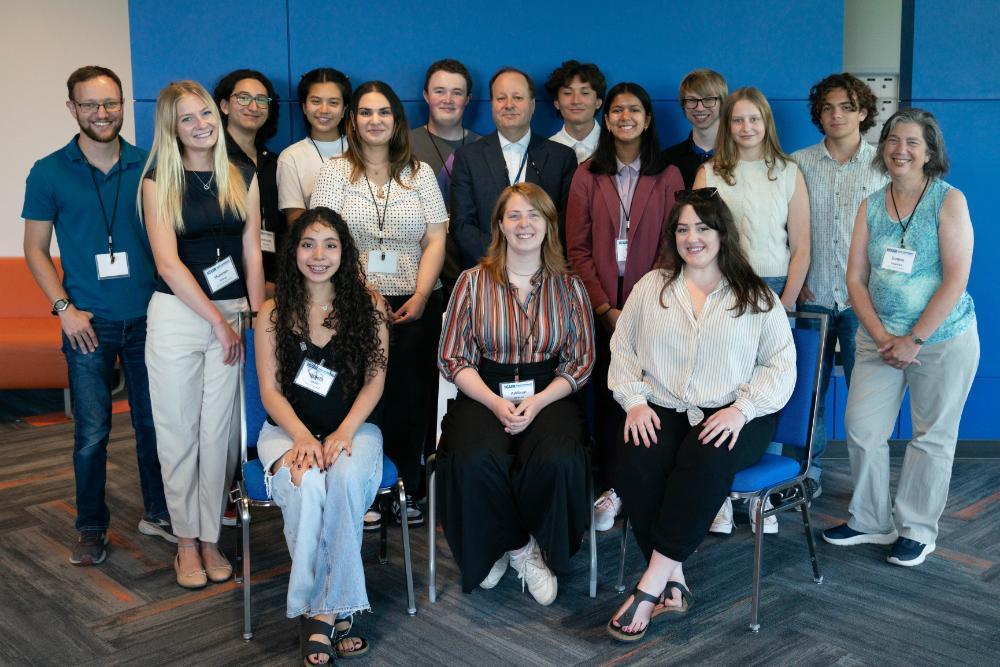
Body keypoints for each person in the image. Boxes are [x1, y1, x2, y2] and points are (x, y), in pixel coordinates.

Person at [606, 188, 794, 641]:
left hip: (736, 412)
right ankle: (675, 578)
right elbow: (623, 347)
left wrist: (741, 409)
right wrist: (633, 401)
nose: (693, 237)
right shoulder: (653, 287)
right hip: (664, 403)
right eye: (683, 228)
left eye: (703, 228)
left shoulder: (756, 295)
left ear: (722, 233)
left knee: (703, 458)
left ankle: (650, 584)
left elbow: (780, 365)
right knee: (636, 456)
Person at [21, 65, 172, 566]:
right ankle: (90, 526)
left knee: (155, 425)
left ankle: (159, 513)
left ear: (124, 105)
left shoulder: (148, 163)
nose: (102, 114)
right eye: (90, 105)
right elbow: (36, 249)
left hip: (150, 317)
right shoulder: (48, 171)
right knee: (91, 433)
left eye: (110, 103)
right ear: (72, 109)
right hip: (86, 323)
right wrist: (65, 310)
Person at [822, 109, 978, 567]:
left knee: (931, 437)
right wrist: (882, 335)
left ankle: (916, 529)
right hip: (879, 339)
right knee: (863, 429)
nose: (899, 149)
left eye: (911, 142)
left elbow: (956, 279)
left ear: (930, 151)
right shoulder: (871, 204)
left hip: (942, 339)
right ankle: (870, 520)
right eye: (892, 140)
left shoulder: (949, 201)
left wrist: (914, 339)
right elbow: (854, 278)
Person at [437, 183, 595, 604]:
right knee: (473, 457)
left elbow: (580, 361)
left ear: (548, 225)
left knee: (559, 456)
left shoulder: (570, 287)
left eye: (534, 215)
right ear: (500, 226)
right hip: (484, 389)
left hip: (550, 393)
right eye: (514, 216)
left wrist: (539, 401)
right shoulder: (471, 283)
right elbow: (453, 357)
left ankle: (537, 546)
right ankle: (517, 548)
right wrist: (493, 401)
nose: (524, 224)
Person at [140, 80, 265, 589]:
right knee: (178, 432)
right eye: (187, 118)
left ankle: (211, 535)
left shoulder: (241, 173)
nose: (201, 125)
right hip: (179, 317)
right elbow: (167, 263)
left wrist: (256, 320)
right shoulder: (156, 181)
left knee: (220, 437)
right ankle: (186, 542)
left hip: (234, 314)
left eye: (206, 115)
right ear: (171, 127)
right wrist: (216, 322)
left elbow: (253, 250)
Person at [255, 207, 388, 665]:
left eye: (330, 245)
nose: (318, 255)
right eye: (308, 244)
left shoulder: (368, 304)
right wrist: (301, 438)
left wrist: (344, 431)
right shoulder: (273, 311)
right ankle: (338, 609)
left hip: (354, 429)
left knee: (346, 480)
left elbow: (375, 381)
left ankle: (319, 614)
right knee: (308, 484)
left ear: (344, 252)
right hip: (285, 432)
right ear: (293, 251)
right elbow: (270, 391)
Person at [311, 81, 447, 527]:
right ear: (353, 121)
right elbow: (326, 239)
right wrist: (363, 294)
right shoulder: (334, 173)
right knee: (364, 396)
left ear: (397, 120)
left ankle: (407, 490)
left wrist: (423, 295)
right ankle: (368, 487)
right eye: (366, 113)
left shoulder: (419, 173)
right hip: (352, 301)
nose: (375, 121)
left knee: (411, 398)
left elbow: (435, 238)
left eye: (384, 112)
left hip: (414, 302)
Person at [565, 82, 683, 531]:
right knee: (607, 400)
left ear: (648, 119)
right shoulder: (586, 175)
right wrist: (603, 309)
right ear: (606, 119)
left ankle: (642, 482)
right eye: (616, 110)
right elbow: (576, 249)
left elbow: (674, 246)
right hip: (597, 312)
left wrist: (636, 307)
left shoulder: (669, 176)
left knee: (648, 396)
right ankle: (611, 486)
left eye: (634, 110)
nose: (625, 117)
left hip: (652, 307)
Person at [694, 87, 809, 535]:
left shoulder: (788, 172)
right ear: (728, 126)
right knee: (723, 387)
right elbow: (699, 242)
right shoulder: (709, 172)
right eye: (737, 120)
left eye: (754, 120)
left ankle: (765, 498)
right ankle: (721, 494)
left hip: (777, 291)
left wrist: (785, 304)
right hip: (724, 289)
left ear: (766, 123)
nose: (746, 128)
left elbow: (801, 246)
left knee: (771, 388)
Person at [793, 73, 887, 498]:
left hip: (861, 303)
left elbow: (892, 233)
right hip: (812, 297)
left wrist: (870, 287)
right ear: (819, 115)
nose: (837, 115)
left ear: (863, 112)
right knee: (808, 395)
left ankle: (868, 483)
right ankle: (806, 475)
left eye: (847, 107)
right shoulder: (797, 163)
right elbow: (786, 231)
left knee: (868, 396)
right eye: (828, 108)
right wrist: (800, 282)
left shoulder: (883, 164)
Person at [451, 67, 577, 268]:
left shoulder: (561, 158)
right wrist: (503, 258)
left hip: (545, 272)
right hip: (487, 271)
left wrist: (532, 257)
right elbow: (462, 225)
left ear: (533, 104)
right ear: (492, 105)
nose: (509, 105)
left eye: (518, 97)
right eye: (501, 98)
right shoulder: (468, 157)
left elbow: (566, 222)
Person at [408, 59, 481, 295]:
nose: (447, 100)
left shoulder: (485, 149)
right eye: (440, 91)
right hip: (417, 277)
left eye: (456, 93)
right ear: (426, 96)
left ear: (467, 99)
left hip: (474, 276)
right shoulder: (402, 147)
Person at [214, 70, 282, 286]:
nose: (253, 107)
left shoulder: (276, 163)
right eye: (243, 98)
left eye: (262, 100)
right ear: (224, 106)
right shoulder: (209, 161)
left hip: (273, 279)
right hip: (224, 280)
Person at [277, 68, 352, 224]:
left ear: (344, 109)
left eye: (333, 103)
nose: (324, 110)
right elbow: (295, 222)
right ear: (304, 107)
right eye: (316, 101)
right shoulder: (290, 157)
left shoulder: (362, 150)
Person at [662, 69, 728, 188]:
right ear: (683, 105)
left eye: (708, 99)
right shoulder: (667, 160)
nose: (699, 108)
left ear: (722, 103)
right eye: (692, 100)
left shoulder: (741, 156)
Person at [545, 60, 606, 163]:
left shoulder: (616, 147)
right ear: (556, 103)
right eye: (568, 93)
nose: (576, 101)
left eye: (585, 93)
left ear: (598, 102)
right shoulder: (544, 151)